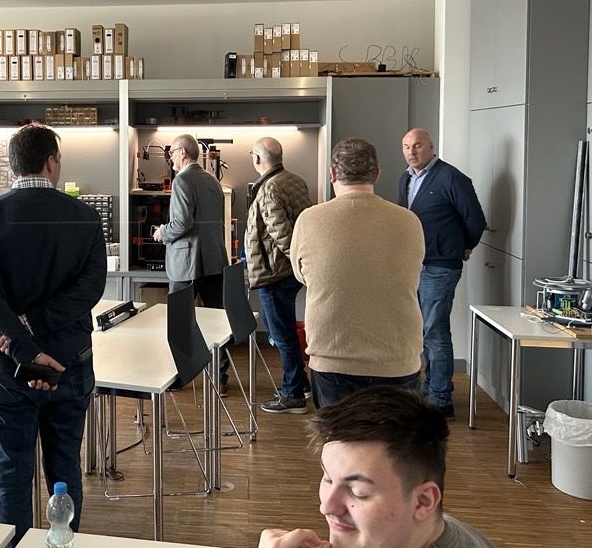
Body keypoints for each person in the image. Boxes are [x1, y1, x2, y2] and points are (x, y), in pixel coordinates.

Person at [0, 124, 106, 540]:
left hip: (6, 365)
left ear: (13, 165)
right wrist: (36, 328)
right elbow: (90, 289)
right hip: (68, 362)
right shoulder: (84, 217)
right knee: (65, 469)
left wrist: (22, 343)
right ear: (51, 162)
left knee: (11, 474)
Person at [254, 386, 507, 548]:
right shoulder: (414, 535)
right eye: (328, 478)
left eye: (358, 492)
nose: (326, 507)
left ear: (423, 501)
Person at [291, 138, 424, 407]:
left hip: (333, 355)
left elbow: (301, 274)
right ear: (376, 174)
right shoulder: (409, 221)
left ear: (332, 174)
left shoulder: (310, 220)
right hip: (397, 356)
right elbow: (414, 272)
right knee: (395, 433)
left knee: (337, 433)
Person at [398, 128, 487, 419]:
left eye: (417, 146)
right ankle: (432, 387)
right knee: (420, 329)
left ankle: (440, 400)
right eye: (406, 147)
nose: (411, 152)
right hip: (414, 264)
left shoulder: (451, 178)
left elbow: (476, 220)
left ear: (431, 147)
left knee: (434, 330)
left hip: (440, 266)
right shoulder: (405, 179)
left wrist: (463, 246)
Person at [244, 137, 312, 414]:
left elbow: (282, 234)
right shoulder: (295, 181)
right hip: (289, 271)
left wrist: (298, 262)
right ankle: (301, 385)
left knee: (281, 334)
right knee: (283, 331)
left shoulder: (268, 188)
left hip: (275, 272)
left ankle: (293, 394)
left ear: (258, 158)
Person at [153, 134, 229, 308]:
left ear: (182, 152)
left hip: (187, 265)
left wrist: (162, 232)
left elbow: (182, 223)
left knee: (179, 317)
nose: (171, 157)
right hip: (214, 262)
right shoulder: (213, 180)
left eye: (172, 152)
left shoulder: (181, 180)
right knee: (215, 318)